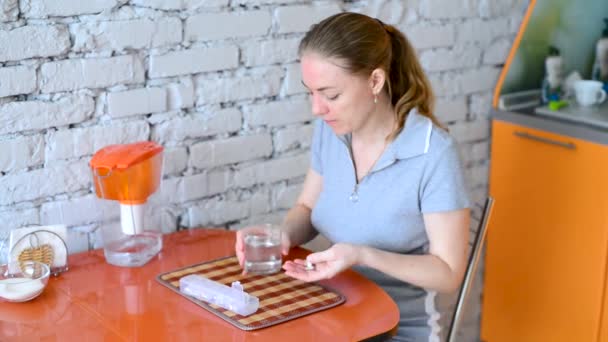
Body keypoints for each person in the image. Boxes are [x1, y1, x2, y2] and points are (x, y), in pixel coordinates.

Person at [235, 12, 471, 342]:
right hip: (333, 312)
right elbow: (307, 207)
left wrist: (362, 254)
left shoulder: (433, 153)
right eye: (311, 93)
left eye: (330, 95)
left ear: (375, 81)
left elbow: (448, 273)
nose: (317, 108)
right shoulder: (331, 131)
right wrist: (282, 235)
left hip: (398, 329)